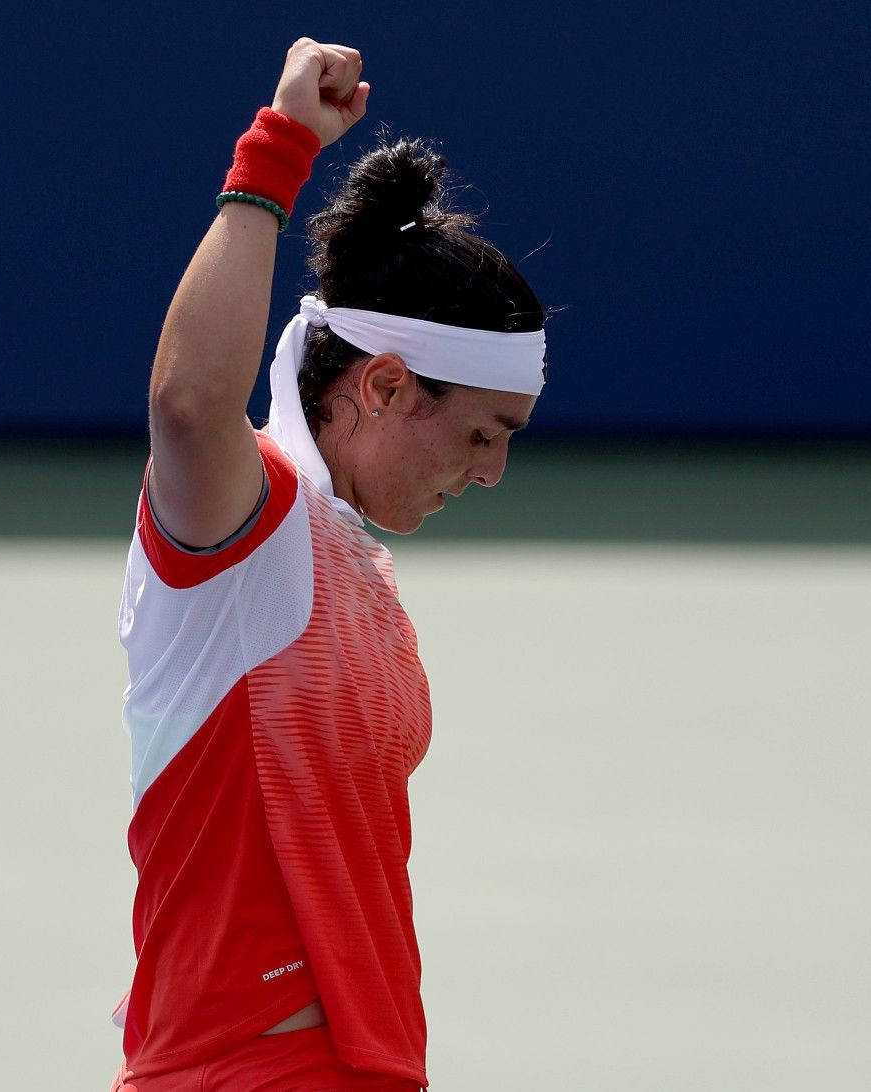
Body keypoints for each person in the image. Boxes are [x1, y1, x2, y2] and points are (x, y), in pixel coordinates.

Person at [110, 37, 547, 1091]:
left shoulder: (360, 573)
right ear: (388, 387)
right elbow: (187, 403)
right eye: (484, 434)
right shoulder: (244, 531)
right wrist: (280, 149)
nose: (490, 474)